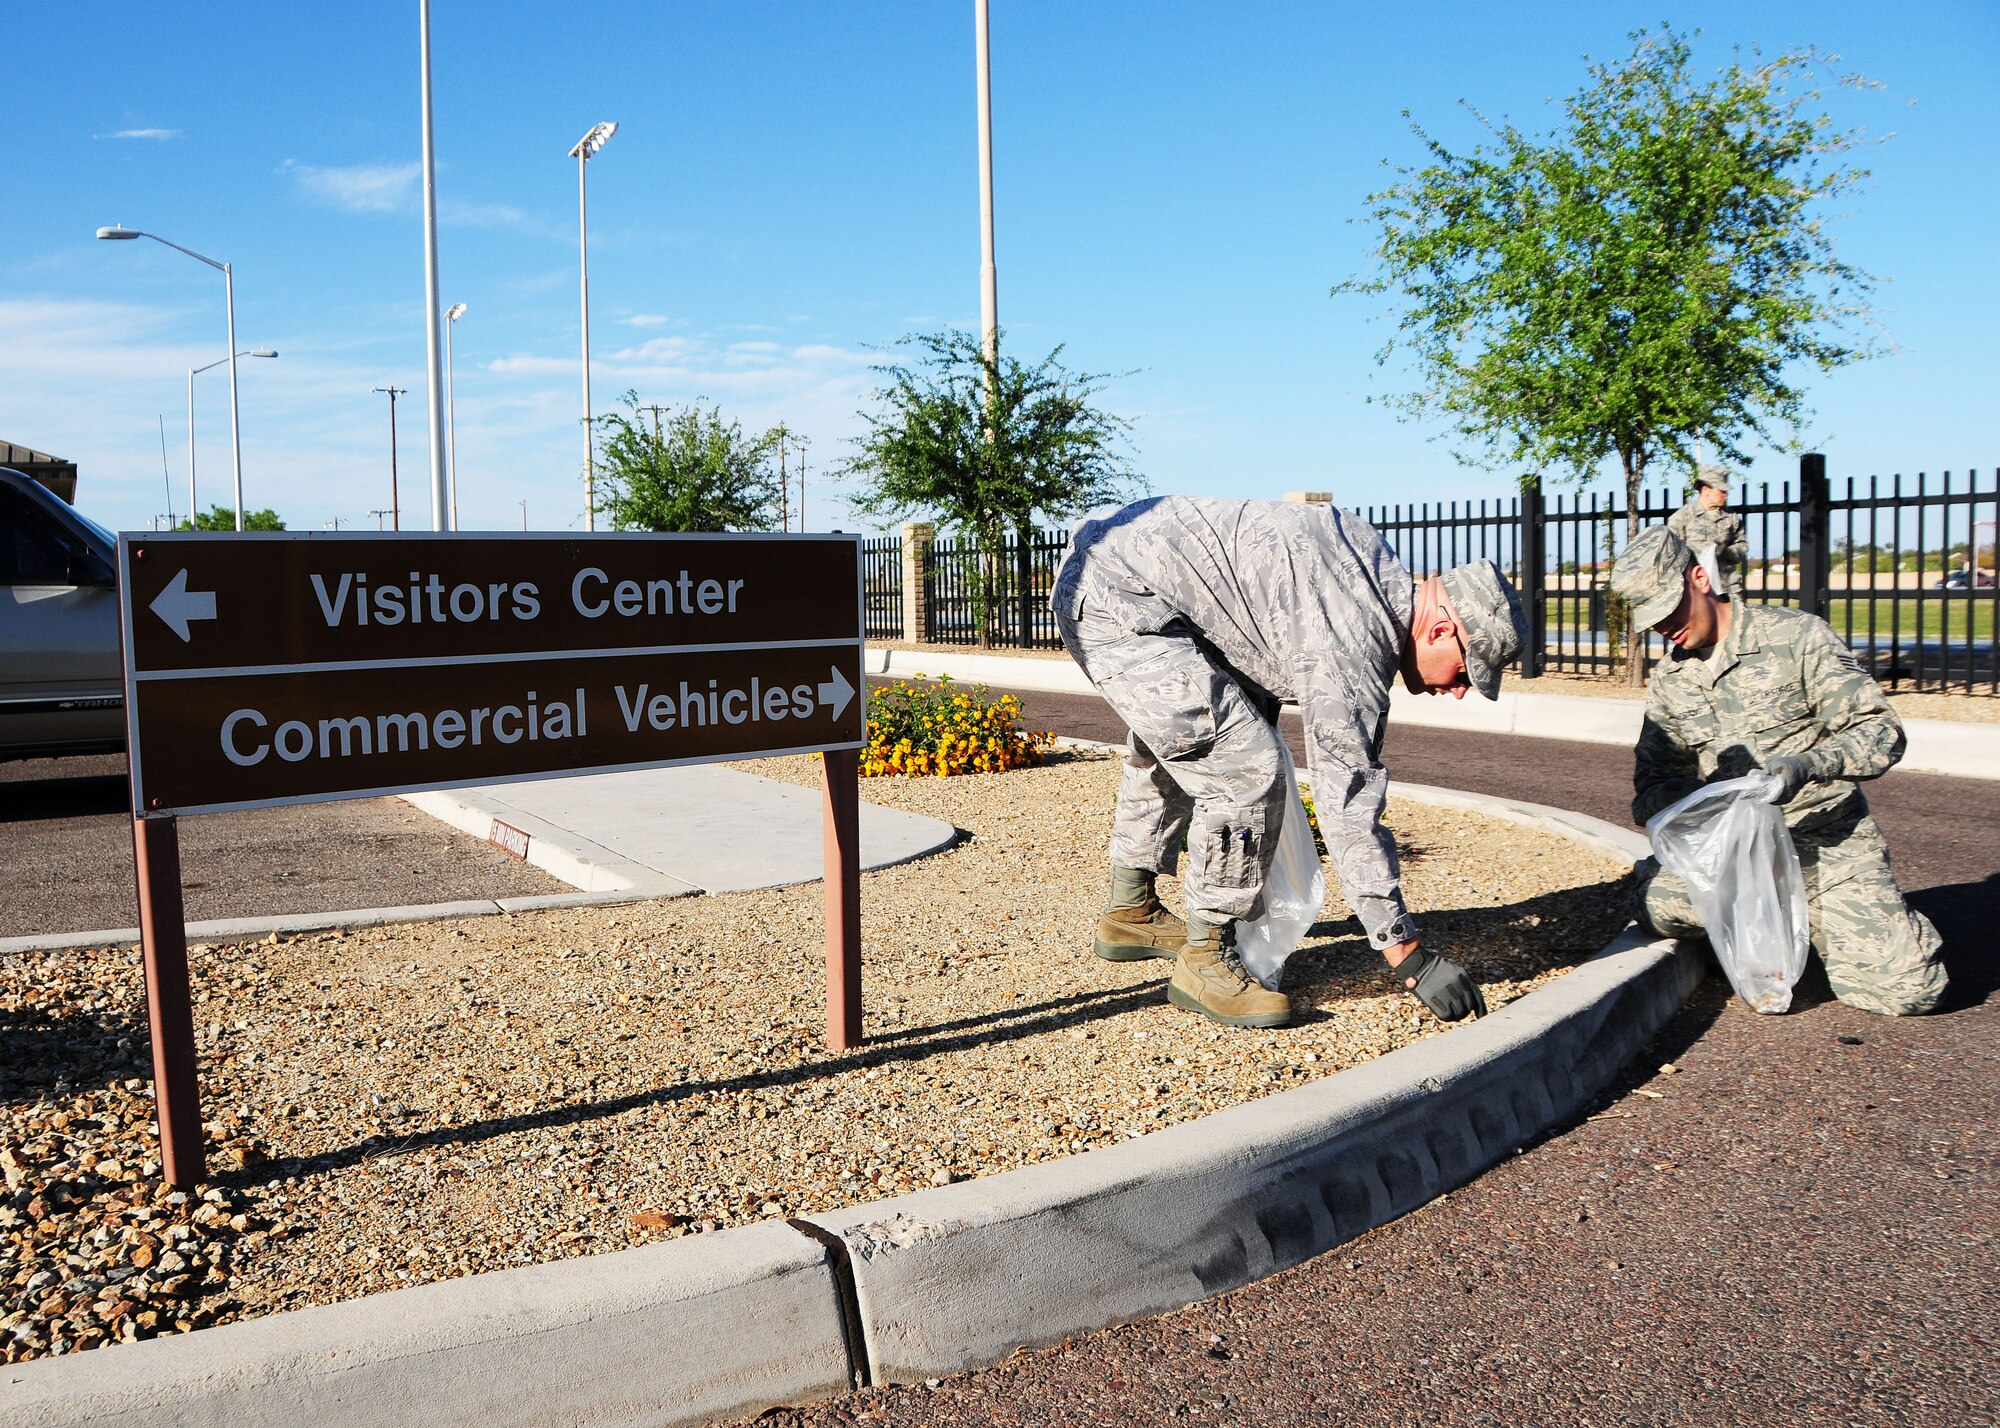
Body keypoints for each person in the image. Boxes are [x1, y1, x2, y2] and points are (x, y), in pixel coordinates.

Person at [1053, 496, 1528, 1029]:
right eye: (1466, 671)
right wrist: (1407, 953)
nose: (1459, 690)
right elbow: (1348, 799)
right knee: (1245, 768)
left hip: (1120, 579)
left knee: (1183, 737)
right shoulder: (1355, 635)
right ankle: (1205, 959)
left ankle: (1130, 910)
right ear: (1441, 630)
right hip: (1119, 601)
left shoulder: (1367, 572)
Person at [1610, 525, 1947, 1016]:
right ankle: (1766, 920)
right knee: (1655, 906)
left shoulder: (1794, 638)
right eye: (1653, 620)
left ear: (1700, 578)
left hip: (1824, 845)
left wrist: (1807, 765)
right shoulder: (1671, 682)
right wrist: (1703, 799)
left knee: (1908, 990)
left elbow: (1881, 733)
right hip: (1735, 859)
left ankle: (1845, 916)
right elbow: (1651, 789)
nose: (1665, 627)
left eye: (1671, 610)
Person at [1665, 463, 1749, 597]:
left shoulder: (1731, 518)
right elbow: (1671, 553)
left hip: (1727, 588)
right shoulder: (1682, 517)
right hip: (1695, 589)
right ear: (1706, 490)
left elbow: (1742, 547)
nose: (1726, 494)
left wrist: (1726, 552)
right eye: (1722, 490)